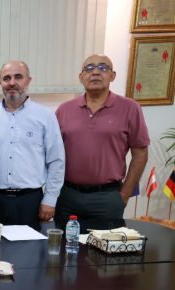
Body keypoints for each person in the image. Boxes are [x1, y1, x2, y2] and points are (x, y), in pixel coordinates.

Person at [55, 54, 149, 225]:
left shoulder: (130, 108)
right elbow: (52, 154)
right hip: (67, 196)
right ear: (81, 77)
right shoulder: (64, 110)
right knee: (65, 242)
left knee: (105, 243)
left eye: (103, 68)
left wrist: (124, 194)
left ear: (113, 75)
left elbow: (140, 153)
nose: (96, 72)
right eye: (89, 68)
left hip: (107, 198)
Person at [0, 60, 65, 227]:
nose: (12, 82)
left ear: (28, 81)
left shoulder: (45, 116)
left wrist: (50, 199)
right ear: (0, 83)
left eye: (18, 77)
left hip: (30, 202)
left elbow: (56, 161)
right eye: (6, 78)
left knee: (30, 244)